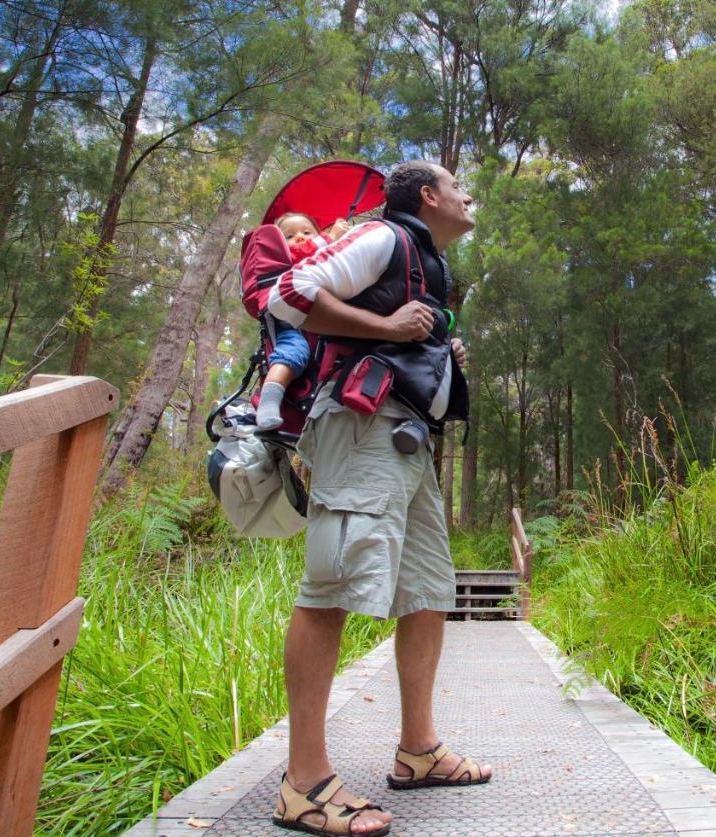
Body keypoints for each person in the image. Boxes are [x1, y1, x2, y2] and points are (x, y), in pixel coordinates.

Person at [265, 161, 490, 836]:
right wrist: (390, 330)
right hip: (362, 427)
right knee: (330, 585)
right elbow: (290, 292)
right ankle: (303, 784)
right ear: (428, 196)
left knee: (428, 587)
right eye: (457, 185)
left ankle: (418, 751)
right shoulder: (386, 238)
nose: (466, 195)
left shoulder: (428, 263)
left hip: (408, 438)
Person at [255, 212, 351, 432]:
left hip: (320, 323)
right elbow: (301, 256)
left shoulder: (326, 254)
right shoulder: (284, 259)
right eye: (289, 236)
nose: (299, 237)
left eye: (307, 232)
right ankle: (268, 403)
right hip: (291, 321)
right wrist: (329, 237)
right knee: (293, 352)